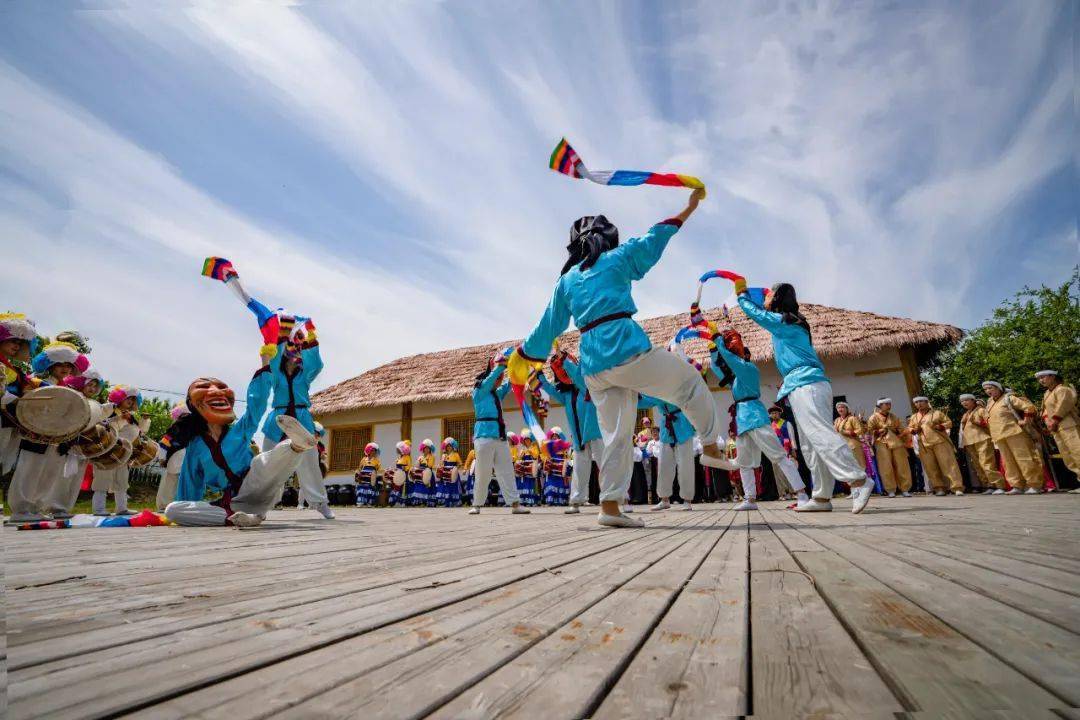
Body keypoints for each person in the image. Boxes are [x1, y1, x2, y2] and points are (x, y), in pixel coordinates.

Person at [508, 189, 724, 528]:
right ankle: (710, 444)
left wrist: (523, 355)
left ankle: (609, 506)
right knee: (689, 384)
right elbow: (653, 239)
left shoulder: (566, 281)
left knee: (617, 435)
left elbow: (546, 327)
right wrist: (688, 207)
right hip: (625, 348)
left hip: (594, 365)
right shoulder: (617, 259)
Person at [737, 284, 872, 513]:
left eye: (770, 296)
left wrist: (741, 294)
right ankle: (821, 497)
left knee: (820, 434)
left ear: (778, 300)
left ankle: (858, 479)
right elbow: (762, 305)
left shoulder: (785, 322)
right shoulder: (790, 322)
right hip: (800, 384)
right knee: (809, 446)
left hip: (807, 383)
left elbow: (755, 312)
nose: (766, 299)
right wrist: (755, 293)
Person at [164, 347, 316, 527]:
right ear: (194, 404)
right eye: (204, 387)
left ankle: (296, 445)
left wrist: (265, 361)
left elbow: (256, 405)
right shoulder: (195, 447)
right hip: (235, 501)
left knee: (263, 462)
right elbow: (190, 485)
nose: (216, 391)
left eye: (221, 387)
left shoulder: (239, 430)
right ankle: (244, 519)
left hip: (256, 480)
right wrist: (188, 512)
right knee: (172, 509)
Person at [710, 328, 809, 511]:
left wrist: (718, 340)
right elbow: (716, 368)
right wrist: (713, 349)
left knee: (778, 455)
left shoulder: (748, 369)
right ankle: (750, 499)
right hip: (742, 420)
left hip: (755, 417)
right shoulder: (736, 379)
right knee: (744, 462)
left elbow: (732, 360)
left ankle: (802, 494)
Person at [7, 341, 88, 523]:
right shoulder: (34, 382)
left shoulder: (69, 391)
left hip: (58, 438)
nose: (65, 369)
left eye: (69, 365)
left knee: (49, 473)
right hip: (35, 434)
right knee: (29, 470)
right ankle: (20, 509)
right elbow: (23, 405)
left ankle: (36, 507)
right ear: (50, 364)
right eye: (61, 364)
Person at [260, 322, 334, 519]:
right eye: (293, 349)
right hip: (278, 418)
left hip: (301, 418)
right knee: (267, 459)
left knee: (309, 461)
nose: (297, 355)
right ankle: (262, 502)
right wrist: (283, 332)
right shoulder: (277, 373)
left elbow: (316, 364)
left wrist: (310, 333)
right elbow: (271, 361)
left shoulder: (305, 375)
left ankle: (320, 503)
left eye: (299, 350)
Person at [533, 349, 604, 514]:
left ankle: (618, 499)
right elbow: (549, 390)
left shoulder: (587, 385)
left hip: (595, 433)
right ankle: (576, 501)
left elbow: (577, 377)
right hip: (578, 438)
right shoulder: (565, 395)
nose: (565, 373)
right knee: (579, 469)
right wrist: (540, 375)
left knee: (605, 465)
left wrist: (564, 360)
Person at [468, 350, 528, 515]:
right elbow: (490, 380)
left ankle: (515, 504)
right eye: (497, 378)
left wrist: (520, 369)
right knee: (483, 472)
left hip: (500, 436)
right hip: (483, 437)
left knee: (506, 470)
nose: (499, 381)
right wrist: (500, 367)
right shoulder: (479, 392)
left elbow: (510, 384)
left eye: (500, 379)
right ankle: (477, 504)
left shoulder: (497, 394)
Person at [46, 368, 104, 518]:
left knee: (75, 479)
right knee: (62, 476)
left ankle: (65, 508)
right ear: (80, 383)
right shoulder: (72, 397)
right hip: (67, 444)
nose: (92, 389)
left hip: (82, 447)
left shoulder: (93, 403)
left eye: (95, 386)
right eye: (89, 384)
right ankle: (54, 507)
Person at [91, 385, 145, 516]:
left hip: (122, 453)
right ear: (120, 397)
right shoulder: (108, 409)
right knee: (102, 479)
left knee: (122, 480)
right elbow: (101, 424)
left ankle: (122, 508)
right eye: (128, 399)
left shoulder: (130, 417)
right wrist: (118, 416)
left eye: (133, 400)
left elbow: (139, 432)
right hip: (106, 451)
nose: (130, 403)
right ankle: (98, 509)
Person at [982, 380, 1043, 494]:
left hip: (1014, 432)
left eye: (990, 388)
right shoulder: (990, 402)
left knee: (1024, 458)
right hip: (998, 435)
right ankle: (1017, 485)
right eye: (986, 389)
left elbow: (1029, 407)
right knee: (1008, 462)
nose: (988, 391)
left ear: (999, 388)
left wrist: (1025, 421)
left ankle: (1034, 485)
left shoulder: (1009, 398)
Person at [639, 394, 696, 512]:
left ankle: (687, 500)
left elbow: (657, 397)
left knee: (686, 465)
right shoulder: (656, 389)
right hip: (666, 426)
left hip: (682, 423)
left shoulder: (673, 382)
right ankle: (664, 499)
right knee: (664, 465)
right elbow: (644, 402)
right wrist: (635, 395)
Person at [907, 397, 964, 496]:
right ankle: (939, 488)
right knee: (931, 467)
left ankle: (957, 487)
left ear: (926, 402)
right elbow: (910, 428)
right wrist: (915, 430)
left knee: (948, 464)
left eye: (921, 401)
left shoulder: (937, 413)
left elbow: (949, 423)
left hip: (940, 442)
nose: (919, 404)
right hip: (924, 444)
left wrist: (940, 426)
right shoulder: (914, 417)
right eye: (916, 402)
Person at [1036, 370, 1079, 481]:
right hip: (1055, 427)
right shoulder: (1047, 393)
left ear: (1053, 377)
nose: (1041, 380)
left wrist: (1054, 421)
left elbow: (1063, 406)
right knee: (1067, 455)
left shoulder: (1062, 389)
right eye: (1039, 379)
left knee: (1077, 451)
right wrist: (1048, 423)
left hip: (1068, 424)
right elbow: (1045, 411)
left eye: (1043, 377)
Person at [959, 393, 1005, 494]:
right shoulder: (966, 414)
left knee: (987, 463)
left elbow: (989, 423)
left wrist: (978, 423)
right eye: (962, 401)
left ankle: (999, 485)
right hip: (970, 441)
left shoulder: (981, 410)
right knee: (978, 465)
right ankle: (988, 485)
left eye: (966, 400)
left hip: (982, 439)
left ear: (973, 400)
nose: (964, 403)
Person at [866, 398, 912, 498]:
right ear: (880, 406)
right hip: (881, 443)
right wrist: (878, 431)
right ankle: (890, 489)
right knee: (885, 467)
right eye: (886, 404)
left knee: (902, 465)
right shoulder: (873, 418)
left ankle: (905, 488)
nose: (888, 405)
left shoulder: (894, 416)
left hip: (896, 443)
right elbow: (869, 432)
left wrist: (899, 434)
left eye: (889, 403)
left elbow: (901, 429)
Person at [157, 404, 191, 511]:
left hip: (181, 459)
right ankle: (166, 505)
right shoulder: (178, 427)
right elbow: (164, 443)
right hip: (177, 458)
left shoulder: (185, 428)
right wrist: (162, 458)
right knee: (171, 483)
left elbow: (164, 443)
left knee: (174, 484)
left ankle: (171, 505)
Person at [833, 401, 868, 472]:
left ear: (847, 408)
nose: (840, 409)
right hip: (842, 446)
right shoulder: (837, 420)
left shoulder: (852, 418)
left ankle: (864, 481)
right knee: (848, 468)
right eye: (838, 408)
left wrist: (848, 432)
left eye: (842, 407)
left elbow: (860, 430)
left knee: (859, 466)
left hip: (854, 446)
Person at [541, 427, 571, 506]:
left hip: (560, 471)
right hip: (552, 470)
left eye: (556, 436)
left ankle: (560, 501)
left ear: (559, 437)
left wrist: (566, 465)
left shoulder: (564, 448)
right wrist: (546, 461)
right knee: (551, 484)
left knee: (560, 484)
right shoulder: (548, 447)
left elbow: (567, 458)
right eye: (553, 436)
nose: (554, 437)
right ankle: (550, 501)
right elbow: (544, 457)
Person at [436, 437, 462, 507]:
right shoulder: (444, 455)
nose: (449, 447)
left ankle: (454, 502)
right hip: (445, 474)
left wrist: (455, 469)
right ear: (445, 447)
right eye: (447, 446)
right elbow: (441, 464)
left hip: (453, 474)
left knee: (453, 487)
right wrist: (439, 467)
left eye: (450, 446)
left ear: (453, 446)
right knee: (445, 488)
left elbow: (460, 464)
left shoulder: (456, 454)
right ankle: (446, 502)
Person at [412, 439, 438, 507]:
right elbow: (417, 465)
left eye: (428, 448)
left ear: (430, 449)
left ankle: (427, 502)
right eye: (425, 448)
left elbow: (430, 465)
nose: (426, 449)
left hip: (428, 474)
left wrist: (425, 462)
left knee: (428, 488)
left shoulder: (432, 457)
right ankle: (420, 501)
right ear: (423, 449)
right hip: (420, 474)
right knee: (419, 487)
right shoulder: (420, 457)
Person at [386, 440, 411, 506]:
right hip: (397, 475)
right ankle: (396, 501)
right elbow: (396, 465)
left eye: (398, 449)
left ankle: (402, 502)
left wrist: (404, 468)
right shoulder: (399, 458)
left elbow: (409, 466)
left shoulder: (407, 457)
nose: (397, 451)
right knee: (396, 488)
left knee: (403, 488)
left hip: (403, 475)